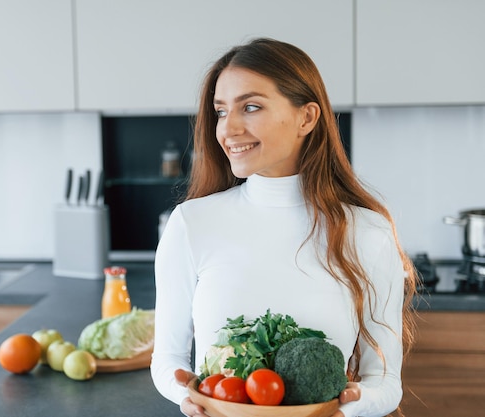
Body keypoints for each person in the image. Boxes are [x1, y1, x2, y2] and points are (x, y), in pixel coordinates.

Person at [150, 38, 418, 417]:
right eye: (221, 111)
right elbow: (168, 360)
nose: (229, 128)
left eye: (252, 107)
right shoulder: (192, 224)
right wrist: (186, 397)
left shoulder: (368, 232)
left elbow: (385, 382)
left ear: (307, 118)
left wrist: (349, 409)